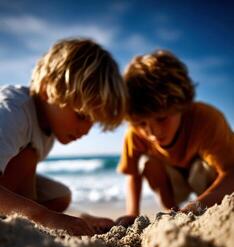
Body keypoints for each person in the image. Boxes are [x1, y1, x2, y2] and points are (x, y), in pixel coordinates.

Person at [0, 38, 127, 236]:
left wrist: (83, 218)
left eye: (93, 122)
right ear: (47, 89)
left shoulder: (46, 126)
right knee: (27, 157)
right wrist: (42, 216)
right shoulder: (13, 111)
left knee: (60, 196)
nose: (85, 130)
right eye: (82, 116)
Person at [117, 50, 234, 226]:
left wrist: (193, 207)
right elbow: (133, 174)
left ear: (181, 104)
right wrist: (132, 213)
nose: (153, 132)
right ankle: (172, 212)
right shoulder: (134, 133)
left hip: (206, 179)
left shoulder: (206, 118)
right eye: (142, 123)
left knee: (200, 167)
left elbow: (231, 172)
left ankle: (201, 207)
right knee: (146, 164)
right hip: (172, 184)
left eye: (162, 118)